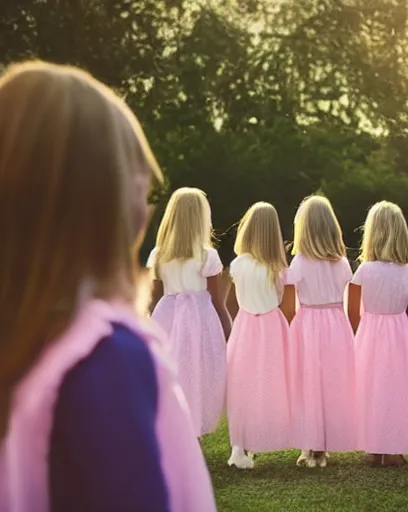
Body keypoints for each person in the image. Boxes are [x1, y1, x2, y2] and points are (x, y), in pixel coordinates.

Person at [0, 61, 216, 511]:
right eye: (139, 175)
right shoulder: (106, 354)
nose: (149, 196)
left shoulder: (26, 340)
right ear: (105, 195)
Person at [147, 188, 230, 437]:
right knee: (198, 375)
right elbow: (218, 302)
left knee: (171, 375)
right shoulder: (208, 256)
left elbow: (153, 299)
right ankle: (193, 432)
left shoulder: (158, 256)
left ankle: (174, 429)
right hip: (199, 323)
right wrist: (229, 331)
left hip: (166, 320)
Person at [347, 201, 408, 467]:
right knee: (396, 389)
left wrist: (359, 334)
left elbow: (352, 311)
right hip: (400, 332)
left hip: (369, 331)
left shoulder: (364, 270)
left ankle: (373, 447)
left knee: (371, 388)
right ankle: (393, 449)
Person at [286, 196, 356, 468]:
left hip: (308, 323)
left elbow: (290, 306)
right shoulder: (342, 263)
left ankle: (311, 446)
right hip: (336, 323)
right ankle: (322, 447)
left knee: (309, 384)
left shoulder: (300, 263)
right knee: (330, 384)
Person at [227, 202, 291, 469]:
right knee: (267, 384)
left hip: (244, 326)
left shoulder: (237, 264)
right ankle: (252, 442)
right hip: (271, 327)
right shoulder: (277, 268)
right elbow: (278, 298)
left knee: (241, 384)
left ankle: (238, 446)